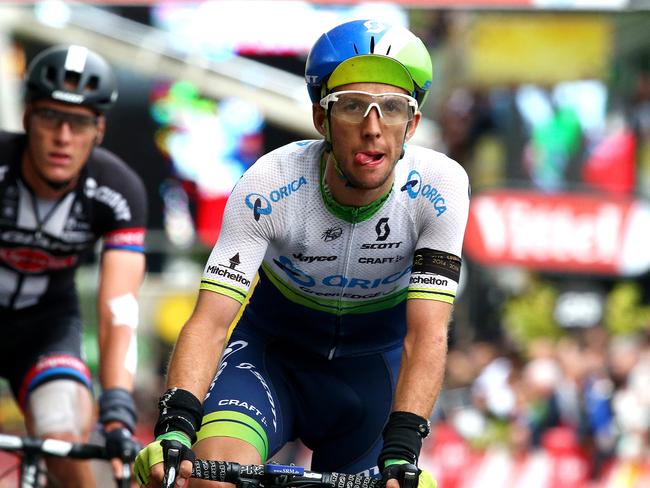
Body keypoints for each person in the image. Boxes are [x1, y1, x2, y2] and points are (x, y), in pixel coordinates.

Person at [136, 18, 469, 488]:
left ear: (412, 124)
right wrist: (176, 423)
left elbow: (428, 333)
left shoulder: (440, 187)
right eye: (352, 106)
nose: (373, 129)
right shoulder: (270, 182)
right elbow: (210, 321)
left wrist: (404, 447)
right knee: (210, 478)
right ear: (321, 120)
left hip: (371, 377)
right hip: (271, 361)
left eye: (392, 109)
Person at [0, 44, 147, 486]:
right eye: (50, 117)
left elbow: (118, 308)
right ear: (27, 117)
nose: (63, 137)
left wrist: (118, 404)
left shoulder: (118, 189)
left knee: (60, 433)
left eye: (80, 121)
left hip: (45, 328)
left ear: (99, 128)